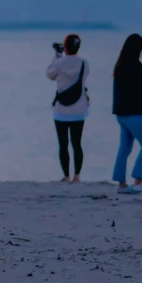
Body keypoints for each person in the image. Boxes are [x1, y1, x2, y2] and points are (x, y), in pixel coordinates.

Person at [109, 33, 142, 188]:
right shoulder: (135, 65)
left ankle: (121, 182)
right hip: (133, 114)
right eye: (141, 50)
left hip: (121, 113)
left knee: (125, 147)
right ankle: (138, 180)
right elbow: (139, 89)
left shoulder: (120, 65)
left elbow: (129, 86)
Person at [45, 34, 89, 182]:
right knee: (77, 144)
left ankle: (66, 175)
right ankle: (77, 175)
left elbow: (50, 74)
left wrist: (57, 55)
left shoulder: (59, 63)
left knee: (63, 144)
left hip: (61, 110)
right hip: (79, 109)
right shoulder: (84, 64)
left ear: (65, 47)